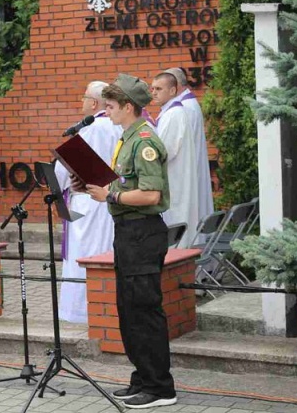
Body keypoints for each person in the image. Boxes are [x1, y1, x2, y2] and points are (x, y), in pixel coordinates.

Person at [80, 73, 177, 409]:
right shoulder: (128, 137)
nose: (106, 111)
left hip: (142, 232)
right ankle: (143, 378)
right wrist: (96, 187)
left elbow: (151, 195)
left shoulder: (144, 141)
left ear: (127, 106)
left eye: (110, 106)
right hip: (128, 232)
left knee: (144, 311)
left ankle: (160, 387)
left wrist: (111, 196)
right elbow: (124, 183)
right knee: (129, 310)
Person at [54, 81, 122, 324]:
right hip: (113, 201)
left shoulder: (92, 129)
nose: (81, 102)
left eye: (84, 98)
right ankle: (108, 307)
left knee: (84, 257)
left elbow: (62, 171)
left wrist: (58, 183)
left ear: (94, 103)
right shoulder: (120, 126)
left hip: (88, 203)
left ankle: (81, 312)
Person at [151, 72, 199, 248]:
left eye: (159, 89)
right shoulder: (171, 113)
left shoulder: (173, 114)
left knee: (175, 232)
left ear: (172, 90)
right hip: (176, 180)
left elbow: (162, 151)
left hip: (174, 182)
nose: (154, 93)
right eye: (152, 89)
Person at [164, 68, 214, 228]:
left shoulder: (182, 109)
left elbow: (167, 149)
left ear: (175, 87)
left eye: (161, 87)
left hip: (181, 174)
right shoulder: (188, 104)